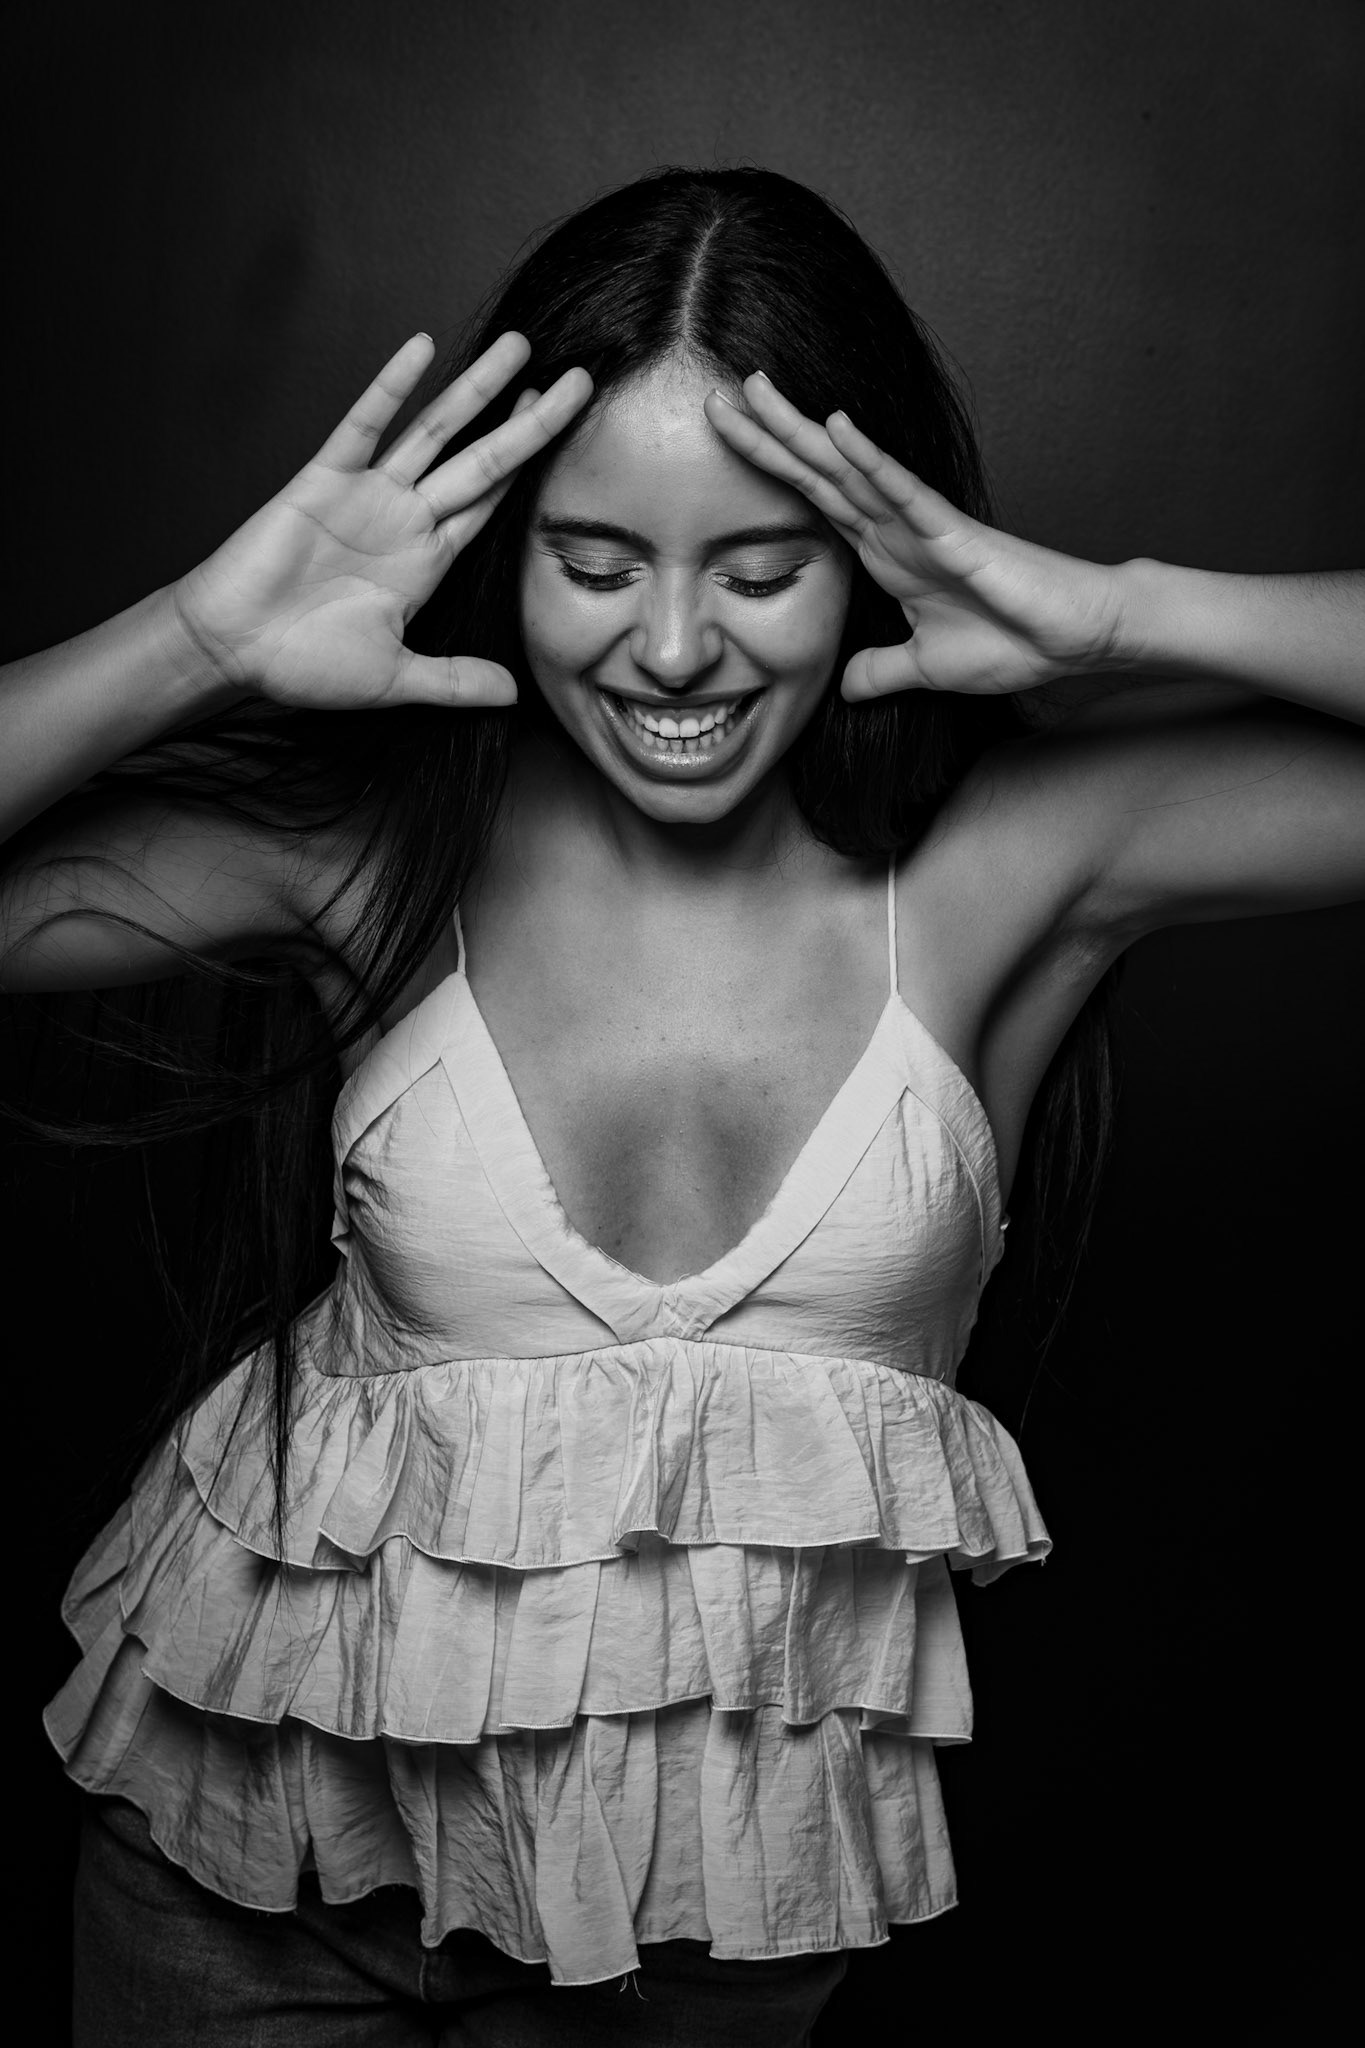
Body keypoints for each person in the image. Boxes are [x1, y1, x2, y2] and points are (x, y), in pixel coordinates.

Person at [5, 166, 1362, 2045]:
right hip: (246, 1874)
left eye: (757, 570)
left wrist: (1120, 614)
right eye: (591, 566)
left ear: (866, 554)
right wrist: (202, 640)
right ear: (509, 559)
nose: (667, 651)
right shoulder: (378, 844)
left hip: (712, 1919)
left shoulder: (1011, 860)